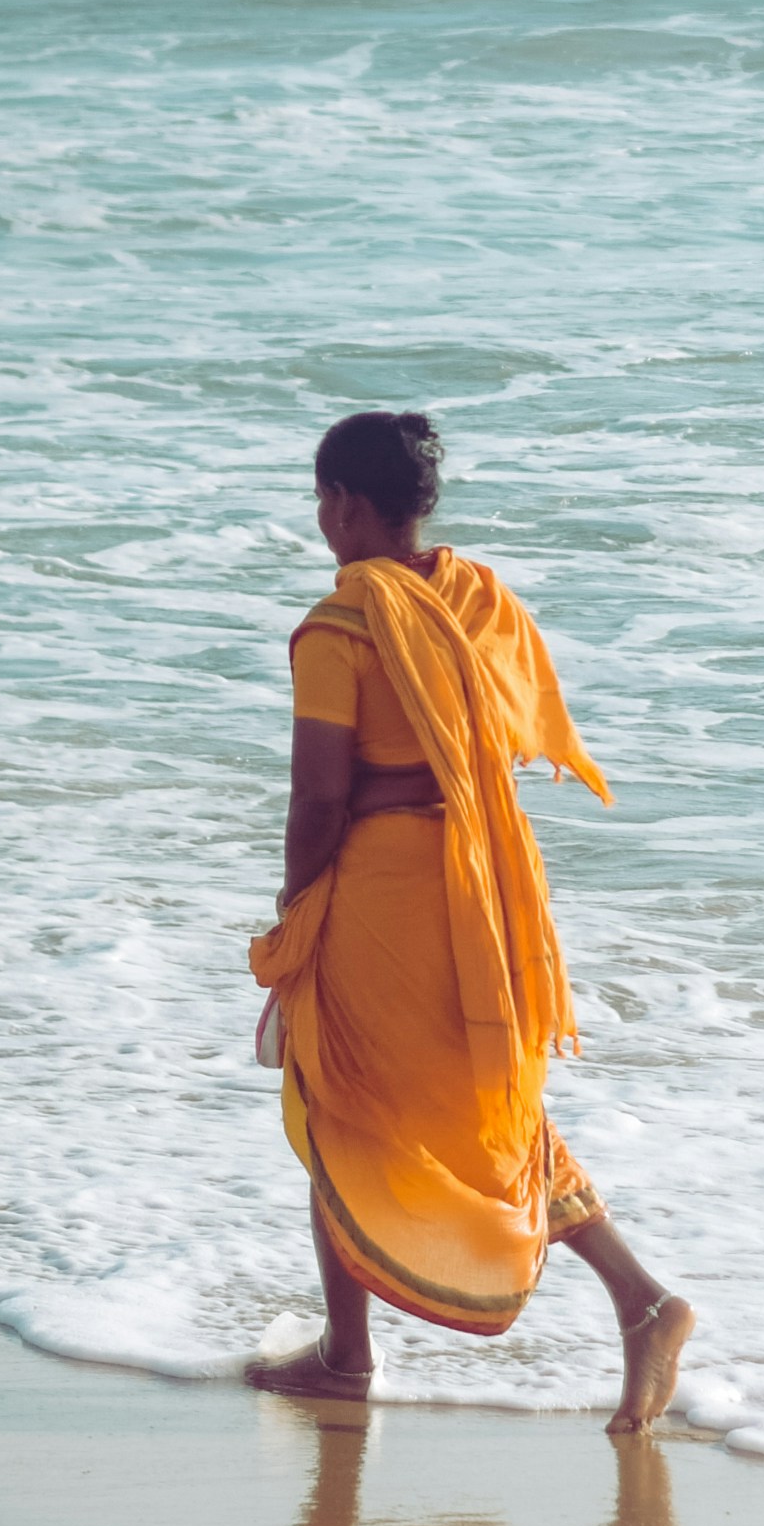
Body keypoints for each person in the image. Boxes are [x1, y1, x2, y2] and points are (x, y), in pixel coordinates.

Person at [247, 408, 693, 1434]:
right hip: (484, 885)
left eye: (322, 500)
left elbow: (319, 795)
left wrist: (294, 901)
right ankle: (643, 1299)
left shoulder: (343, 623)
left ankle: (349, 1357)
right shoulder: (476, 593)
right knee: (486, 1101)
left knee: (336, 1092)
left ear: (345, 504)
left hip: (389, 889)